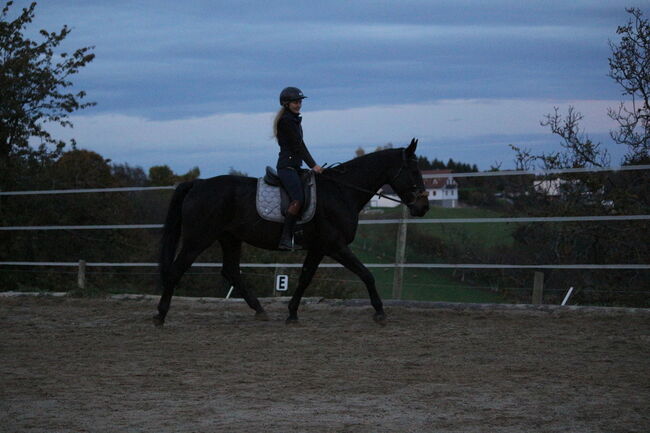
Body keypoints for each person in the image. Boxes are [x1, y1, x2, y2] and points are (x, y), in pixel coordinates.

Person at [273, 86, 323, 250]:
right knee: (298, 199)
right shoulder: (287, 121)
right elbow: (299, 146)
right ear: (286, 104)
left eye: (300, 101)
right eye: (295, 102)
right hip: (286, 166)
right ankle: (285, 238)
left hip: (295, 166)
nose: (299, 104)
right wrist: (313, 165)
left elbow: (301, 145)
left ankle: (302, 231)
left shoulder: (293, 120)